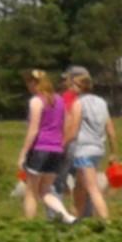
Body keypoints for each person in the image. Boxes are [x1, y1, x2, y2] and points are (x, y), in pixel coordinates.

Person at [15, 70, 75, 223]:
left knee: (31, 191)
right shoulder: (59, 100)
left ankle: (30, 225)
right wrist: (61, 143)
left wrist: (23, 152)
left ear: (35, 84)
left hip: (39, 149)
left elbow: (33, 129)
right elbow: (68, 124)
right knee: (45, 191)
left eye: (29, 83)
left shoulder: (36, 101)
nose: (28, 86)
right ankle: (67, 216)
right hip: (56, 150)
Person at [63, 65, 118, 224]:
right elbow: (111, 130)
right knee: (80, 186)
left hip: (83, 150)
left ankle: (106, 221)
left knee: (92, 188)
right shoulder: (102, 102)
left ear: (79, 87)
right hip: (98, 149)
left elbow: (73, 130)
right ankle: (78, 217)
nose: (70, 87)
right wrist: (114, 152)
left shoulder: (78, 103)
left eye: (73, 85)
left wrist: (62, 145)